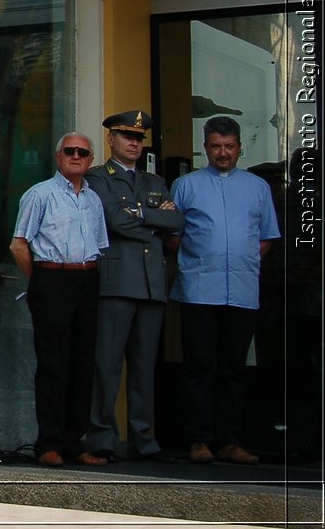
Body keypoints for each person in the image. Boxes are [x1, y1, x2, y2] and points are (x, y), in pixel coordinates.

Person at [170, 116, 280, 466]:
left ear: (239, 148)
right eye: (216, 146)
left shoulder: (257, 187)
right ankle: (198, 440)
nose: (223, 153)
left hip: (243, 289)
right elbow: (173, 238)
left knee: (234, 369)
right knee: (199, 366)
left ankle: (230, 441)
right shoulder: (185, 185)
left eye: (229, 147)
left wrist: (239, 259)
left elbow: (265, 238)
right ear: (205, 148)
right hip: (199, 288)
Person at [83, 111, 183, 463]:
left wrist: (140, 214)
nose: (134, 143)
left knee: (144, 368)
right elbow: (112, 219)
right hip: (117, 282)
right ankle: (102, 436)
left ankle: (143, 438)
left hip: (152, 284)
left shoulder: (153, 181)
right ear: (111, 139)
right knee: (107, 364)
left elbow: (176, 220)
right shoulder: (99, 177)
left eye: (139, 138)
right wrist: (152, 220)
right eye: (127, 136)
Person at [9, 134, 109, 467]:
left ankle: (74, 442)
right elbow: (19, 245)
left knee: (82, 364)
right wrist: (40, 282)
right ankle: (49, 443)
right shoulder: (40, 194)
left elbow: (98, 244)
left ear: (91, 160)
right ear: (58, 156)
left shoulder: (94, 201)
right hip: (52, 278)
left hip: (87, 278)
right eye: (70, 151)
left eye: (83, 152)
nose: (76, 156)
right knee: (54, 364)